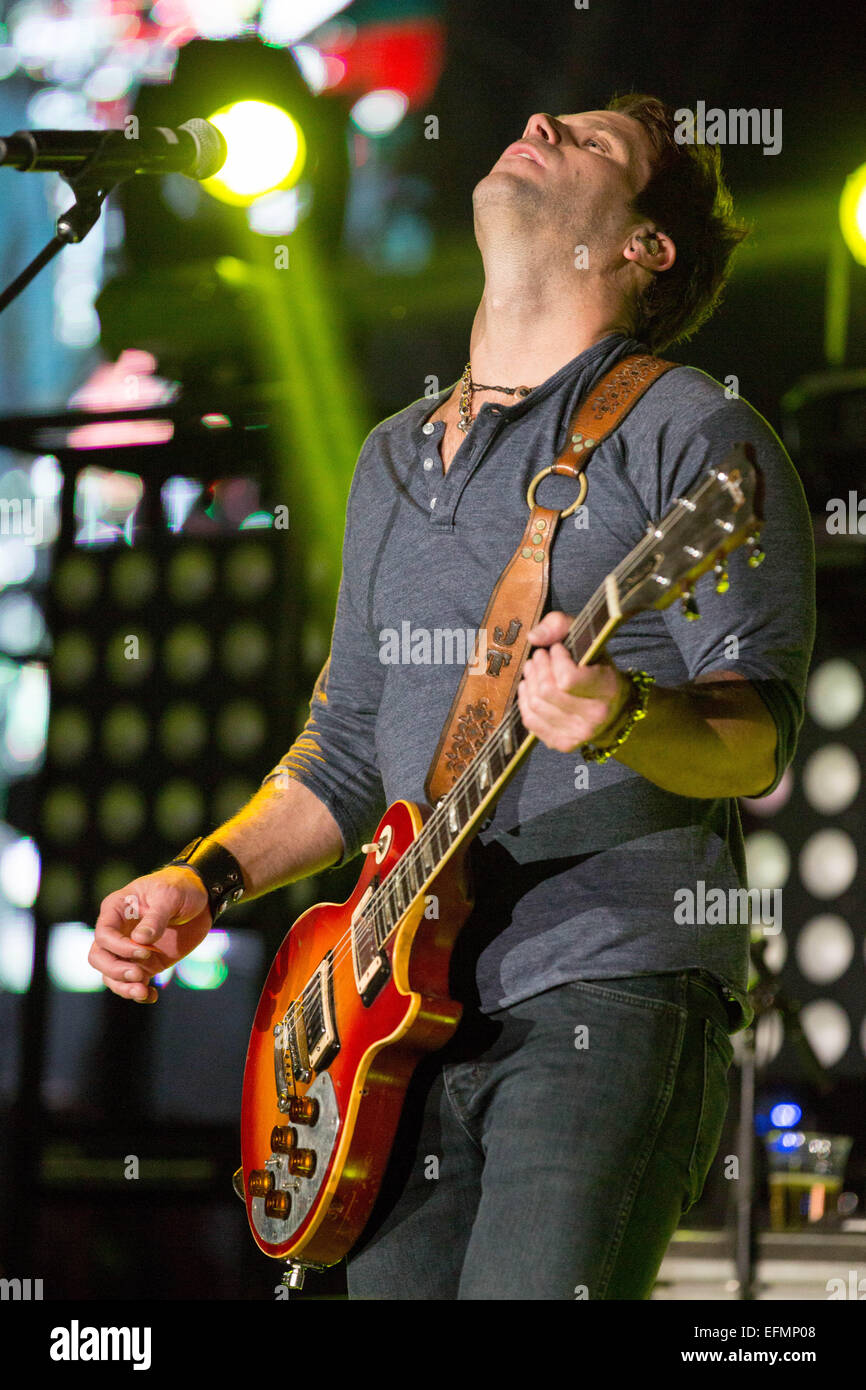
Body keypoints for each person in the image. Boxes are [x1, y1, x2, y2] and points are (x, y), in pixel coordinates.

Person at [89, 94, 815, 1299]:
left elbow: (751, 743)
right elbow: (344, 751)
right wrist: (202, 876)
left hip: (607, 981)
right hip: (395, 1024)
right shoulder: (389, 455)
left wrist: (623, 717)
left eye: (589, 141)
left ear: (645, 248)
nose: (535, 117)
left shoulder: (696, 435)